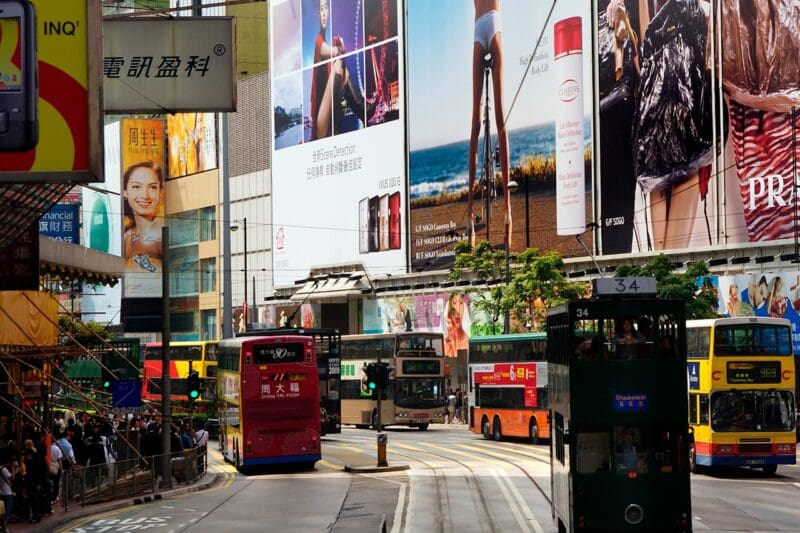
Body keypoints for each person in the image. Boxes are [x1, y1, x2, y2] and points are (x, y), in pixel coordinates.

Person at [467, 0, 512, 249]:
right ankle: (473, 215)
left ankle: (506, 207)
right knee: (477, 121)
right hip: (483, 25)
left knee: (499, 117)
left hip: (489, 23)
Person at [309, 0, 370, 140]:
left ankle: (363, 111)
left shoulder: (324, 39)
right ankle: (357, 113)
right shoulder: (319, 41)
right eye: (321, 10)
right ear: (318, 15)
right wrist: (341, 50)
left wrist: (341, 53)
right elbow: (333, 52)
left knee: (343, 71)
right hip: (321, 125)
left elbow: (341, 63)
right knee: (338, 65)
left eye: (326, 8)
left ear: (328, 12)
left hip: (325, 119)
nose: (324, 13)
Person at [122, 160, 164, 274]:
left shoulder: (162, 232)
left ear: (160, 192)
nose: (145, 195)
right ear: (125, 192)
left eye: (152, 187)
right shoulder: (126, 237)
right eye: (136, 187)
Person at [443, 293, 471, 357]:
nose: (457, 310)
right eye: (454, 303)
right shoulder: (447, 336)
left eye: (460, 303)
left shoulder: (466, 336)